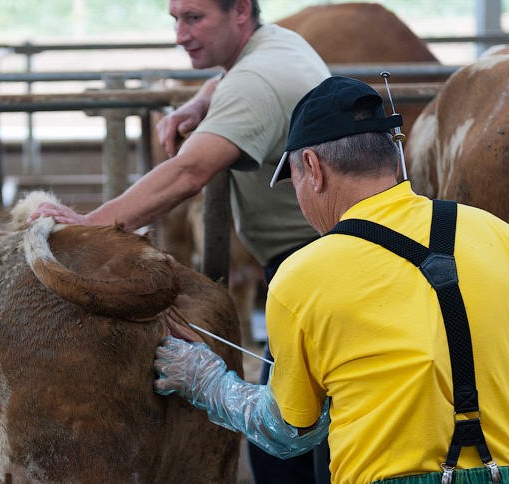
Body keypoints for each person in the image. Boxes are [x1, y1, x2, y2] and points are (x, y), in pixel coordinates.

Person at [152, 76, 509, 483]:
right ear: (392, 158)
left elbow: (288, 432)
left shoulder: (302, 276)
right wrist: (471, 398)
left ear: (312, 166)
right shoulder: (493, 231)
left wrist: (205, 379)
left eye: (293, 180)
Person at [29, 1, 330, 481]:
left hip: (316, 269)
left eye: (194, 18)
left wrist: (92, 225)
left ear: (240, 13)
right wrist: (200, 102)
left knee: (289, 444)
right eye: (175, 18)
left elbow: (189, 172)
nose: (179, 33)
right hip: (317, 258)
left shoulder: (256, 81)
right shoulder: (275, 47)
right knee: (293, 436)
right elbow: (229, 83)